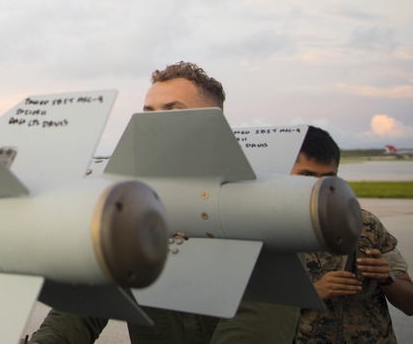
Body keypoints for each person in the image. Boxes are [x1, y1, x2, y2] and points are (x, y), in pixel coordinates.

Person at [27, 61, 300, 344]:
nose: (153, 125)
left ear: (213, 125)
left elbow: (254, 329)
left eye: (174, 111)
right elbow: (83, 306)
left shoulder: (258, 214)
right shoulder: (136, 214)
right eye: (148, 113)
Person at [292, 126, 413, 343]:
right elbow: (249, 310)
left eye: (329, 177)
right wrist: (314, 293)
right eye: (307, 175)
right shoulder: (272, 231)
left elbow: (410, 304)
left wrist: (387, 279)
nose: (319, 186)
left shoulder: (365, 224)